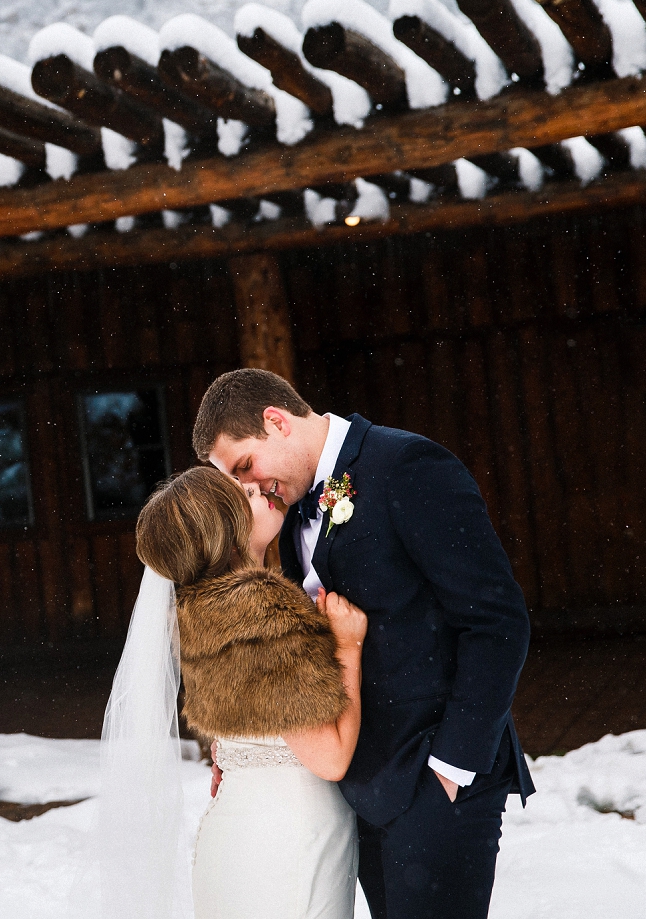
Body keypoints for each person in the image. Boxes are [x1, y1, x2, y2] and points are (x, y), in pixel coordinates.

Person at [196, 369, 535, 919]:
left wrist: (451, 766)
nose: (250, 488)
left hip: (435, 781)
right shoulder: (286, 510)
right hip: (358, 788)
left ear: (275, 422)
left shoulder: (407, 466)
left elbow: (497, 621)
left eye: (245, 466)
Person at [134, 465, 368, 919]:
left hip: (239, 833)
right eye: (240, 494)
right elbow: (332, 758)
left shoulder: (197, 611)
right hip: (288, 839)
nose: (256, 487)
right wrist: (350, 649)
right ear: (229, 533)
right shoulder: (262, 613)